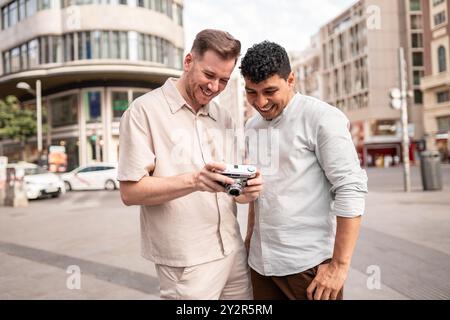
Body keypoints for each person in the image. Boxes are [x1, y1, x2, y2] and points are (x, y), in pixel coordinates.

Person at [117, 29, 263, 300]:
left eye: (224, 80)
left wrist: (247, 191)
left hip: (232, 249)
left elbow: (236, 192)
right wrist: (194, 181)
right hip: (187, 261)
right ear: (188, 62)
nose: (215, 87)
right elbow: (130, 192)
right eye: (209, 75)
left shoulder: (224, 116)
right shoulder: (143, 112)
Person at [240, 41, 368, 300]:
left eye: (269, 91)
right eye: (251, 92)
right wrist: (249, 239)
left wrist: (339, 267)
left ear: (291, 80)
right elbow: (259, 189)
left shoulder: (322, 118)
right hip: (260, 264)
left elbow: (350, 188)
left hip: (308, 268)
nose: (260, 102)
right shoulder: (251, 127)